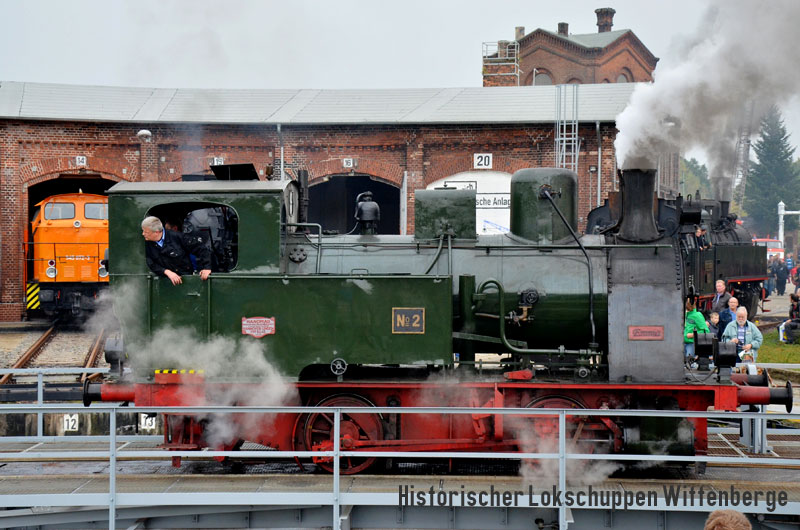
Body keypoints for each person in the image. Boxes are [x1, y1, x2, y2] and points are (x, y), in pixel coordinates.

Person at [141, 216, 212, 286]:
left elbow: (201, 249)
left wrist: (207, 268)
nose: (143, 234)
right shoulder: (146, 244)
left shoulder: (177, 237)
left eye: (146, 232)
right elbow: (150, 262)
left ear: (156, 232)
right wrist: (166, 272)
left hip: (185, 280)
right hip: (163, 283)